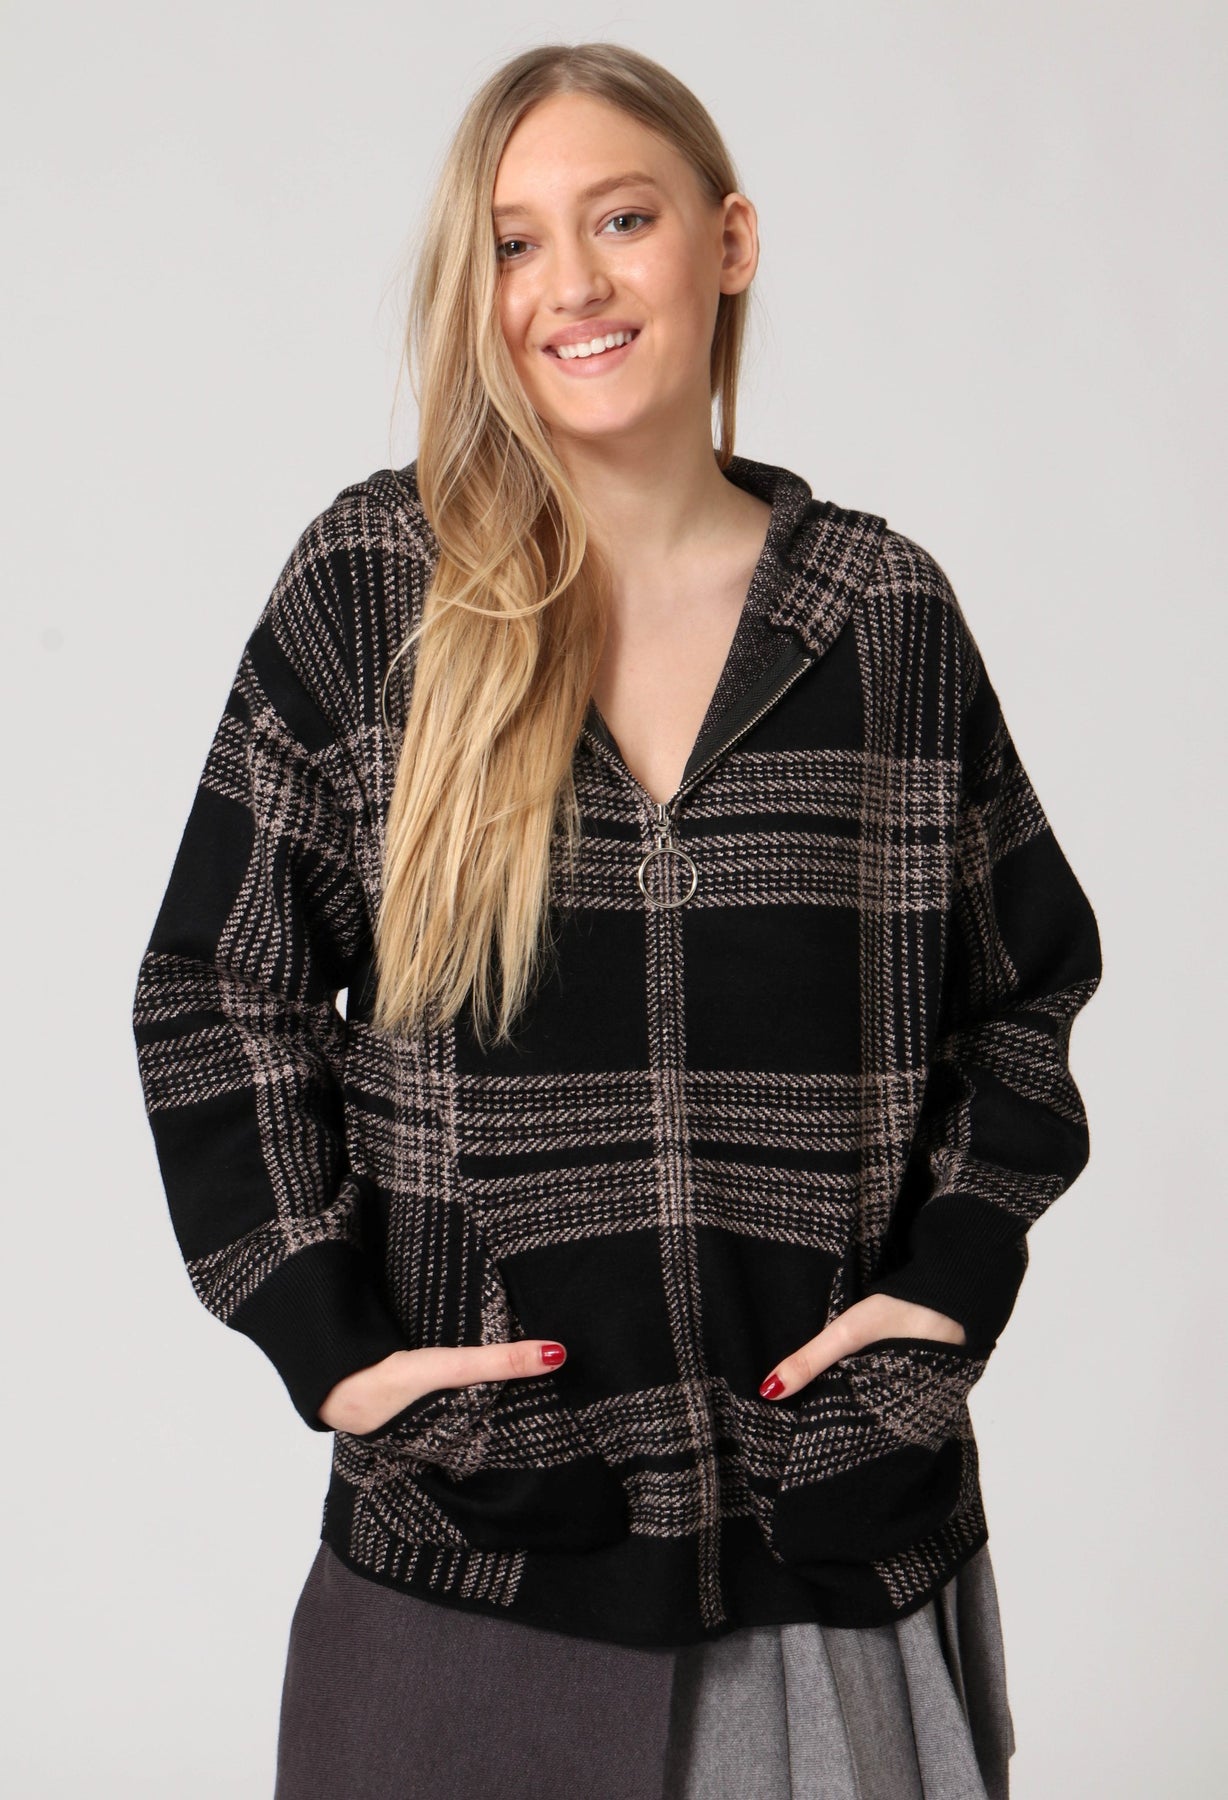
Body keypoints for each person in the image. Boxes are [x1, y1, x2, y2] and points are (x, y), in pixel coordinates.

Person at [131, 40, 1102, 1800]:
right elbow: (219, 997)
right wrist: (338, 1355)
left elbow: (1019, 1001)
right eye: (513, 242)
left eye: (622, 219)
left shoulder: (880, 616)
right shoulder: (378, 596)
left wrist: (946, 1294)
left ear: (728, 241)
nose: (567, 283)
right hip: (483, 1544)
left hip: (830, 1535)